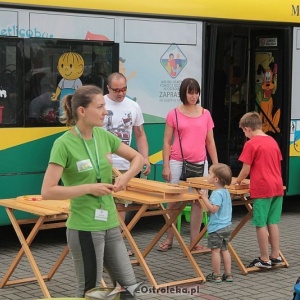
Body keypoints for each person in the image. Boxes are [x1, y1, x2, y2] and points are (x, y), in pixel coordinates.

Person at [41, 85, 144, 298]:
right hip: (85, 228)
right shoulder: (64, 144)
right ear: (82, 111)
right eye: (100, 106)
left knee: (129, 289)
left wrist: (125, 177)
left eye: (104, 106)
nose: (105, 111)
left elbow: (138, 158)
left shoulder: (103, 136)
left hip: (110, 224)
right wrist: (89, 188)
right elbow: (48, 191)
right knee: (91, 292)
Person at [158, 77, 218, 252]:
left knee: (199, 201)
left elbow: (210, 142)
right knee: (173, 202)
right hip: (177, 162)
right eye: (190, 92)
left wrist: (215, 165)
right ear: (183, 93)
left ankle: (195, 241)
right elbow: (166, 142)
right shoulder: (173, 114)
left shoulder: (205, 113)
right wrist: (166, 165)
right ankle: (169, 238)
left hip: (201, 162)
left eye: (196, 92)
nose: (193, 96)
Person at [102, 72, 150, 247]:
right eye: (116, 90)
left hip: (124, 164)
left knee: (121, 205)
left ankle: (117, 245)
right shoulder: (100, 103)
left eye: (124, 89)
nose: (120, 93)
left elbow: (140, 134)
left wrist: (144, 158)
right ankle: (103, 242)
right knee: (102, 202)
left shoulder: (133, 106)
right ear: (108, 88)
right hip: (102, 164)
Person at [233, 111, 284, 268]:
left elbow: (245, 169)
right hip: (277, 186)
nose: (244, 135)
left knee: (260, 223)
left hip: (262, 187)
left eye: (243, 131)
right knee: (273, 222)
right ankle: (275, 255)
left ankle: (264, 258)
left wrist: (237, 181)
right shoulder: (272, 141)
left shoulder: (251, 144)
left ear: (248, 129)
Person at [200, 163, 233, 283]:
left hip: (217, 228)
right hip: (227, 226)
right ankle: (228, 274)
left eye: (209, 173)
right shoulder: (225, 191)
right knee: (225, 250)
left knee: (215, 251)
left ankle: (217, 275)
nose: (207, 175)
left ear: (216, 179)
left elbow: (213, 209)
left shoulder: (217, 193)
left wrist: (204, 198)